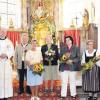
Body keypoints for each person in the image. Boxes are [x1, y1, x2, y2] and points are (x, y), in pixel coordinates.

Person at [0, 28, 14, 100]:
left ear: (6, 33)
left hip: (6, 63)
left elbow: (12, 51)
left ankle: (6, 95)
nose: (2, 33)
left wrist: (6, 55)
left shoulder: (9, 42)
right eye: (1, 31)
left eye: (4, 32)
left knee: (7, 79)